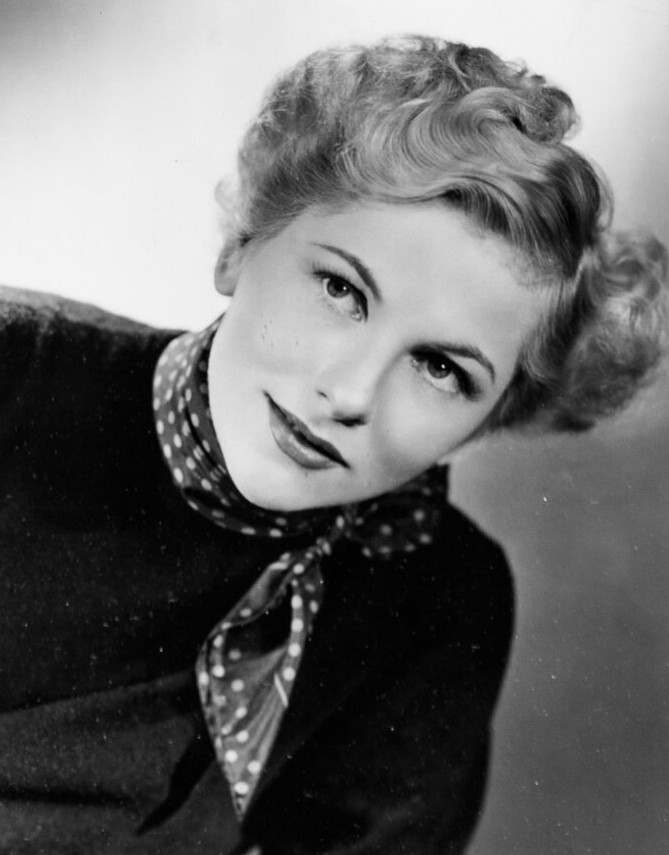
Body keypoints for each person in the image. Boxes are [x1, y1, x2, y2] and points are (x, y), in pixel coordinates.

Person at [0, 34, 666, 855]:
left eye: (439, 368)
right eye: (340, 289)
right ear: (240, 243)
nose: (350, 393)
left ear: (493, 416)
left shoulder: (434, 595)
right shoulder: (16, 376)